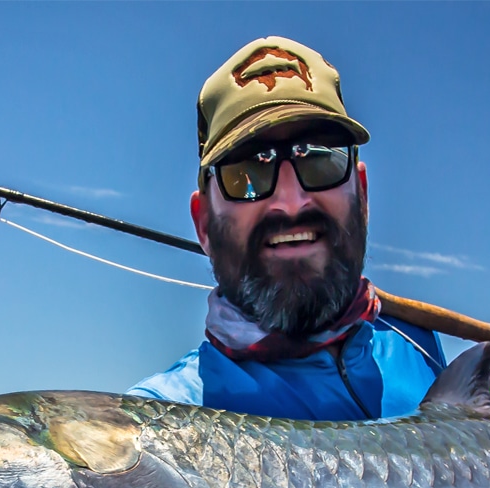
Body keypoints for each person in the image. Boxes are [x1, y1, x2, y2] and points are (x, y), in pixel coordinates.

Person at [129, 36, 444, 420]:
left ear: (362, 196)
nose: (291, 202)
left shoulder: (424, 351)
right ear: (204, 224)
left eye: (319, 160)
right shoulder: (157, 419)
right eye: (248, 171)